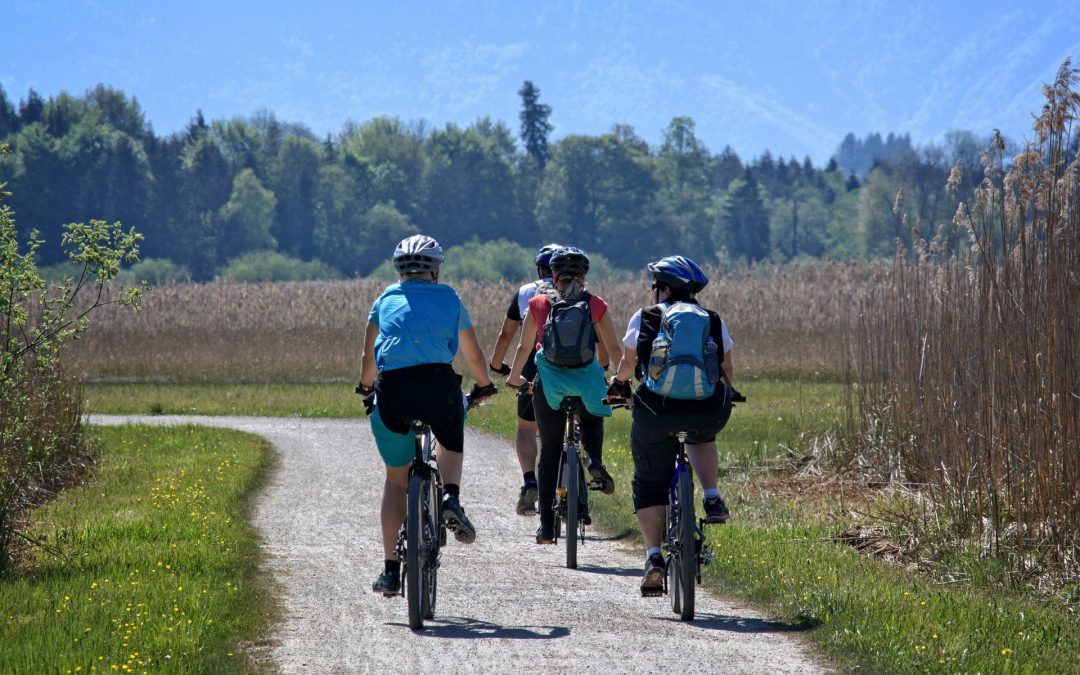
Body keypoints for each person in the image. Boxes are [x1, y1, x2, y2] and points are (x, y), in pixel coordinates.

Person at [358, 234, 498, 596]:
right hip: (437, 386)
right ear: (435, 270)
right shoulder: (450, 298)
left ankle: (390, 570)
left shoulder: (384, 299)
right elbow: (474, 355)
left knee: (395, 480)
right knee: (451, 431)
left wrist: (365, 388)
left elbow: (367, 360)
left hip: (393, 391)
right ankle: (450, 496)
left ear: (399, 271)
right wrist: (484, 386)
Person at [607, 255, 736, 595]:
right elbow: (726, 369)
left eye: (656, 286)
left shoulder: (646, 316)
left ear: (664, 288)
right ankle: (711, 497)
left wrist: (617, 385)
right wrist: (724, 395)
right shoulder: (712, 319)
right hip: (706, 409)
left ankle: (653, 559)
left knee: (648, 482)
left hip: (655, 411)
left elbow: (628, 361)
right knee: (702, 434)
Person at [507, 246, 621, 544]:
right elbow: (614, 349)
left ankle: (546, 527)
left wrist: (515, 375)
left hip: (550, 384)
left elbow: (524, 348)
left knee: (549, 453)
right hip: (586, 381)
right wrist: (618, 379)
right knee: (594, 416)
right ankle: (594, 459)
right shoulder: (595, 304)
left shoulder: (538, 302)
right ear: (584, 276)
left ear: (552, 275)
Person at [487, 243, 560, 516]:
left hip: (533, 366)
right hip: (574, 368)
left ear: (540, 268)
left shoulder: (527, 293)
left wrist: (497, 365)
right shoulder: (579, 292)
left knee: (527, 427)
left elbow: (507, 335)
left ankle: (530, 480)